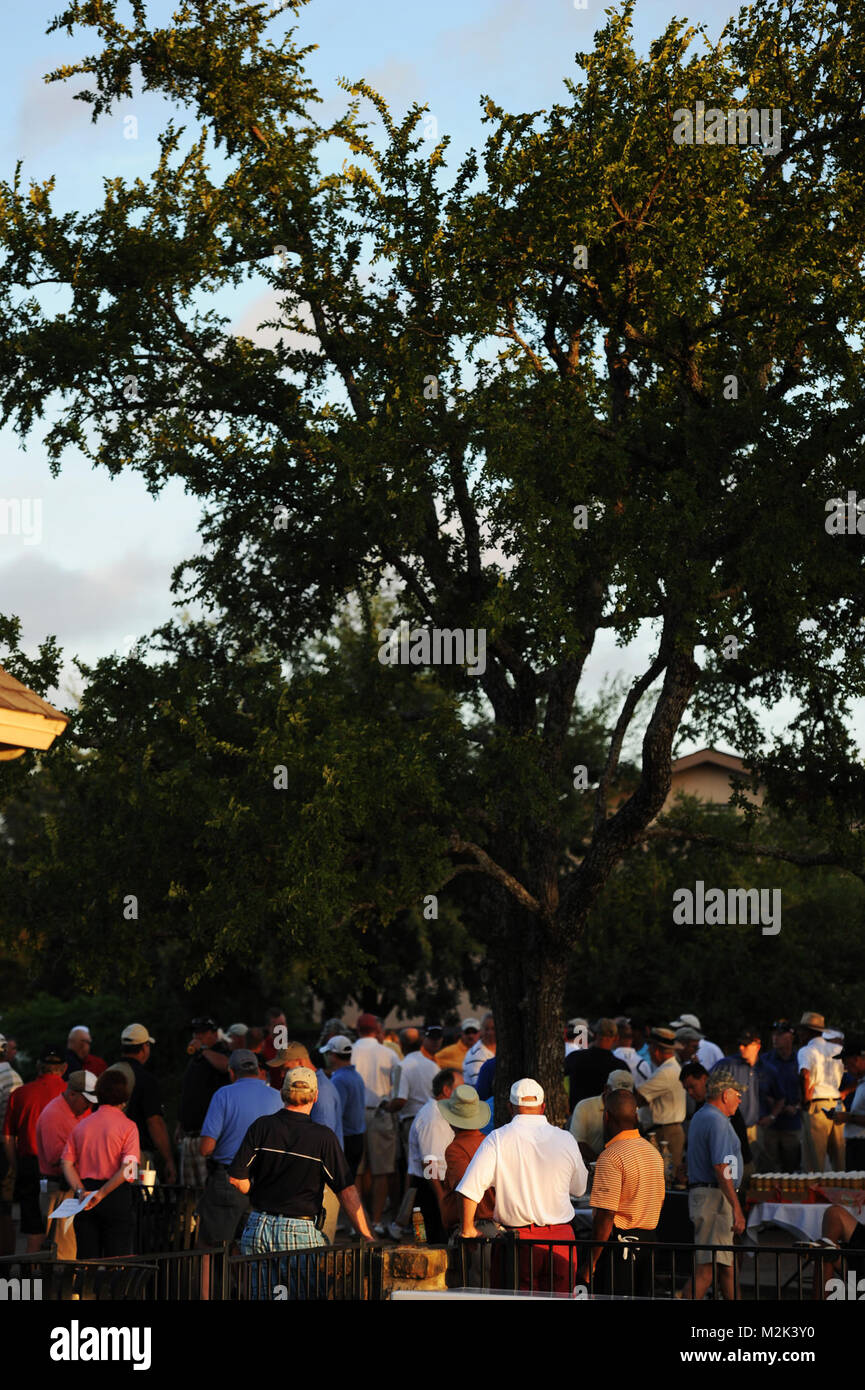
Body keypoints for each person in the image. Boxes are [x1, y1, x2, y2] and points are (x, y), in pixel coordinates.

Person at [228, 1066, 372, 1298]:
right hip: (299, 1231)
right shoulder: (323, 1138)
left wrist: (256, 1193)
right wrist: (366, 1235)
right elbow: (346, 1191)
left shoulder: (262, 1126)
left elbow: (236, 1178)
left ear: (283, 1093)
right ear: (315, 1096)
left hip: (258, 1226)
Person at [458, 1077, 588, 1293]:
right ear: (543, 1106)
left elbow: (469, 1189)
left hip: (519, 1242)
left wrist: (467, 1229)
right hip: (561, 1239)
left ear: (510, 1107)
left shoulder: (497, 1139)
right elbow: (579, 1189)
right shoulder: (566, 1139)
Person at [579, 1090, 665, 1295]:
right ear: (636, 1117)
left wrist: (590, 1261)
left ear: (606, 1116)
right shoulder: (653, 1154)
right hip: (649, 1243)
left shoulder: (611, 1157)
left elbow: (606, 1216)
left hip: (619, 1248)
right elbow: (660, 1201)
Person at [196, 1049, 284, 1248]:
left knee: (209, 1245)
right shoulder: (277, 1097)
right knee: (249, 1247)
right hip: (265, 1182)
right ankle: (243, 1281)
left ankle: (208, 1281)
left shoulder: (223, 1095)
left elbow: (206, 1148)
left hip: (228, 1178)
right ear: (258, 1070)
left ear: (231, 1072)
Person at [678, 1069, 746, 1302]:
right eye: (737, 1094)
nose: (739, 1098)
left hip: (710, 1196)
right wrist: (736, 1206)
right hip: (714, 1199)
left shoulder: (703, 1116)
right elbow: (720, 1166)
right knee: (707, 1268)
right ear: (726, 1094)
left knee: (724, 1265)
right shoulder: (716, 1120)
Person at [61, 1068, 140, 1258]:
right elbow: (128, 1169)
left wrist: (80, 1191)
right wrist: (102, 1193)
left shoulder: (82, 1125)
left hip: (86, 1194)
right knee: (118, 1260)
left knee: (87, 1259)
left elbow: (66, 1163)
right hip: (115, 1194)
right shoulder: (128, 1126)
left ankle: (84, 1289)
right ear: (124, 1097)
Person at [3, 1045, 68, 1253]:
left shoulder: (20, 1094)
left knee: (33, 1228)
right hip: (62, 1168)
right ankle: (60, 1281)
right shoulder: (72, 1096)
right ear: (64, 1068)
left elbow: (7, 1136)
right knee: (64, 1229)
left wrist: (16, 1165)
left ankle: (33, 1281)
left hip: (29, 1163)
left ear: (39, 1066)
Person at [389, 1069, 456, 1242]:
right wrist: (441, 1198)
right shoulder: (433, 1118)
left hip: (434, 1187)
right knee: (434, 1246)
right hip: (431, 1191)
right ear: (447, 1091)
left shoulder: (437, 1113)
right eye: (460, 1087)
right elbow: (429, 1165)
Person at [35, 1070, 96, 1259]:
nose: (89, 1106)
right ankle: (65, 1286)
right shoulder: (54, 1115)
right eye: (86, 1101)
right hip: (58, 1189)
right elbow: (57, 1159)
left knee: (72, 1243)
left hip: (72, 1187)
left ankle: (71, 1283)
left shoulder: (78, 1110)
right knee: (62, 1247)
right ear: (72, 1094)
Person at [351, 1013, 397, 1235]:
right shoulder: (388, 1053)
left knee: (356, 1171)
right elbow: (397, 1086)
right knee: (381, 1170)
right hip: (380, 1111)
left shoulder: (350, 1050)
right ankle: (377, 1220)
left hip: (355, 1114)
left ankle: (357, 1222)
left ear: (357, 1029)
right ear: (377, 1029)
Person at [118, 1023, 177, 1183]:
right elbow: (155, 1123)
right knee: (145, 1202)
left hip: (107, 1154)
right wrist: (169, 1160)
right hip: (138, 1156)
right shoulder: (146, 1080)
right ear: (144, 1047)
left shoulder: (108, 1074)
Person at [178, 1017, 231, 1186]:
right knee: (188, 1193)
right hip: (189, 1134)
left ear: (214, 1033)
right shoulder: (197, 1058)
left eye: (202, 1032)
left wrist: (204, 1050)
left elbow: (227, 1066)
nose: (197, 1036)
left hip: (206, 1136)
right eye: (195, 1033)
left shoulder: (221, 1051)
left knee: (206, 1189)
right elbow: (189, 1093)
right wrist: (180, 1122)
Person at [439, 1085, 495, 1234]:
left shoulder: (455, 1149)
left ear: (451, 1120)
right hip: (492, 1224)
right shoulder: (489, 1142)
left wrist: (467, 1228)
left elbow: (464, 1188)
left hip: (474, 1228)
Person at [797, 1010, 845, 1172]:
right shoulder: (837, 1049)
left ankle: (816, 1196)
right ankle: (842, 1193)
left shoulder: (806, 1051)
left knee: (814, 1160)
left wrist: (805, 1098)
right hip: (837, 1103)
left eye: (801, 1031)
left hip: (817, 1105)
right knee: (839, 1158)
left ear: (808, 1032)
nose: (799, 1034)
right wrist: (844, 1092)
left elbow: (805, 1074)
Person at [634, 1027, 687, 1166]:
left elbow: (639, 1097)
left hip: (665, 1132)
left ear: (656, 1050)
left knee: (665, 1176)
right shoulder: (670, 1068)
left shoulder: (666, 1071)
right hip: (667, 1129)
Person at [389, 1028, 438, 1164]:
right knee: (431, 1162)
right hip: (434, 1119)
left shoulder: (402, 1066)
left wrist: (386, 1107)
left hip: (412, 1121)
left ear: (401, 1045)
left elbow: (400, 1101)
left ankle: (413, 1186)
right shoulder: (433, 1065)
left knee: (414, 1164)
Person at [760, 1021, 803, 1172]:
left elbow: (807, 1088)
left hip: (792, 1123)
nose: (775, 1038)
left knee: (792, 1168)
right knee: (769, 1168)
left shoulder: (801, 1059)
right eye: (773, 1034)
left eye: (779, 1034)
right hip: (770, 1123)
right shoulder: (765, 1060)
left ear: (791, 1036)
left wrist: (796, 1106)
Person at [321, 1035, 366, 1180]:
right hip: (358, 1137)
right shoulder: (356, 1076)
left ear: (333, 1056)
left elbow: (335, 1113)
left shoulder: (339, 1079)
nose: (327, 1058)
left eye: (328, 1054)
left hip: (347, 1139)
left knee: (341, 1185)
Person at [569, 1069, 634, 1164]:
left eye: (626, 1096)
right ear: (606, 1089)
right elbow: (577, 1142)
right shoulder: (584, 1107)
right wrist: (602, 1162)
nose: (621, 1099)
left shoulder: (629, 1107)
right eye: (617, 1094)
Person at [565, 1018, 622, 1112]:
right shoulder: (620, 1066)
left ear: (595, 1035)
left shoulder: (575, 1058)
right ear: (616, 1038)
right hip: (606, 1120)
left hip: (577, 1117)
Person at [0, 1033, 23, 1256]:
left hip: (3, 1148)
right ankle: (4, 1268)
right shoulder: (13, 1077)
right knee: (4, 1209)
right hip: (4, 1149)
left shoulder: (10, 1076)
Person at [837, 1036, 865, 1171]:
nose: (845, 1067)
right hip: (855, 1146)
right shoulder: (860, 1082)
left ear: (857, 1059)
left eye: (846, 1062)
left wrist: (847, 1118)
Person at [463, 1014, 496, 1088]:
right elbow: (481, 1087)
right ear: (481, 1031)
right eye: (486, 1029)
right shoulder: (476, 1055)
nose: (490, 1033)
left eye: (493, 1028)